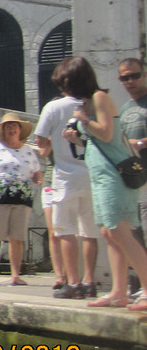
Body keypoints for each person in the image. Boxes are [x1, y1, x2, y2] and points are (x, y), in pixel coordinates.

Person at [57, 57, 147, 310]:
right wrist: (78, 139)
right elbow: (102, 141)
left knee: (120, 231)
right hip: (100, 176)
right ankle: (119, 292)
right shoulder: (89, 103)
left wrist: (84, 121)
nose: (64, 91)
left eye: (65, 84)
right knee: (109, 233)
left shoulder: (99, 98)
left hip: (113, 177)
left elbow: (107, 132)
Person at [35, 61, 100, 299]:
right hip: (92, 175)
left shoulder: (54, 108)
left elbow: (41, 142)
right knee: (89, 232)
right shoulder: (94, 104)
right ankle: (90, 281)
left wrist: (54, 143)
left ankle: (73, 283)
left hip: (65, 177)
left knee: (66, 231)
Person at [0, 112, 43, 286]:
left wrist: (38, 179)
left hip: (22, 199)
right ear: (3, 130)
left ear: (20, 130)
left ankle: (15, 275)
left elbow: (37, 172)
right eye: (8, 127)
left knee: (17, 237)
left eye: (15, 126)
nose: (12, 129)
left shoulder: (28, 151)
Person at [117, 56, 147, 236]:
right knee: (135, 234)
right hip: (133, 179)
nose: (130, 81)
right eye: (125, 78)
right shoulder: (123, 109)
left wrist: (141, 143)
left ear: (144, 75)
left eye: (134, 76)